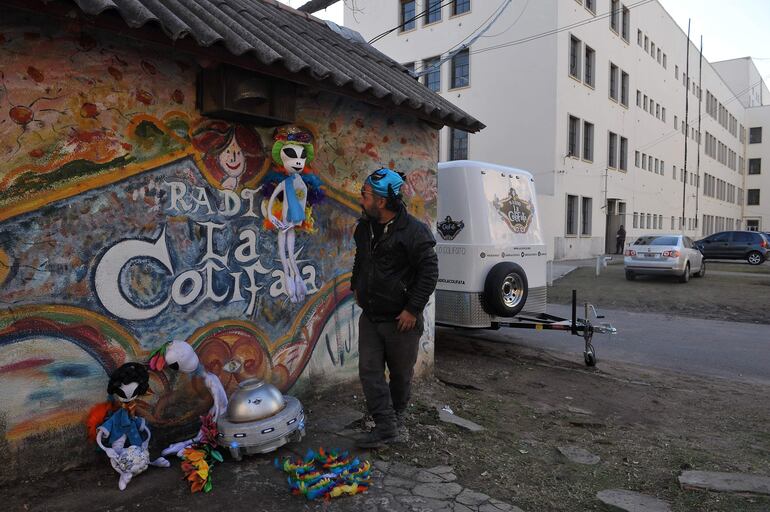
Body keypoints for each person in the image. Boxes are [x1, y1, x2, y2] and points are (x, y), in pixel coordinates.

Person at [351, 168, 438, 449]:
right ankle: (386, 427)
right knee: (369, 371)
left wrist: (413, 309)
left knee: (400, 375)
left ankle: (396, 416)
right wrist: (357, 287)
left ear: (382, 200)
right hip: (371, 316)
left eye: (365, 195)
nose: (361, 200)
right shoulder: (364, 227)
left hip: (401, 319)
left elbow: (429, 272)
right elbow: (361, 260)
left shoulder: (414, 232)